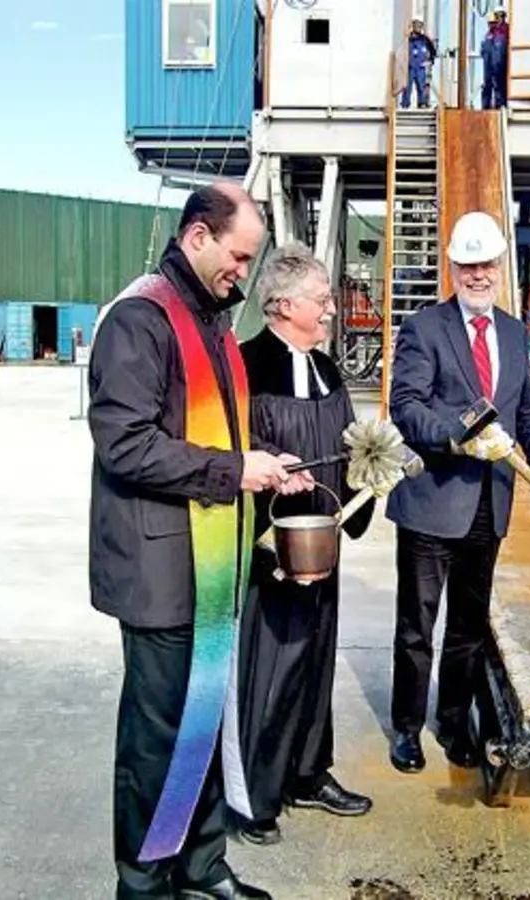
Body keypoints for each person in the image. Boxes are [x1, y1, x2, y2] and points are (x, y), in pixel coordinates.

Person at [88, 181, 313, 900]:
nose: (244, 273)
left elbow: (221, 435)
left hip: (211, 561)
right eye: (239, 257)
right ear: (197, 237)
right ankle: (143, 883)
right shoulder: (141, 319)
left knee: (205, 724)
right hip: (160, 571)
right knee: (157, 739)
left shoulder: (209, 320)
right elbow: (125, 444)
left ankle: (200, 865)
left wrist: (265, 467)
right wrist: (234, 470)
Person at [382, 211, 530, 774]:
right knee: (417, 626)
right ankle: (407, 728)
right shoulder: (424, 329)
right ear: (453, 269)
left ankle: (453, 720)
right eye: (468, 265)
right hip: (431, 501)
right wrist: (461, 439)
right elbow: (406, 407)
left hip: (490, 503)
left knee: (468, 623)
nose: (478, 275)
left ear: (500, 267)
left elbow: (526, 408)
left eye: (486, 264)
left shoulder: (512, 332)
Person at [225, 243, 398, 845]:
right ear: (282, 305)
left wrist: (373, 471)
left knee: (317, 658)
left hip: (323, 544)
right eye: (321, 300)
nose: (330, 310)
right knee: (271, 665)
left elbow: (346, 445)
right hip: (271, 549)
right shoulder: (245, 366)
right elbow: (230, 450)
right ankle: (256, 795)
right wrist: (269, 466)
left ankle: (306, 772)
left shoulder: (326, 370)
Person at [399, 17, 437, 109]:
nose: (418, 28)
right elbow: (401, 50)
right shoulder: (408, 39)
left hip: (421, 67)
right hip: (410, 66)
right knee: (407, 86)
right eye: (416, 26)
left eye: (419, 26)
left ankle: (422, 103)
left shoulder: (425, 39)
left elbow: (433, 51)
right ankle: (405, 103)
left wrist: (430, 61)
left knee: (421, 85)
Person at [480, 7, 509, 110]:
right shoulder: (490, 33)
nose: (499, 18)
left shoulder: (505, 31)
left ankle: (500, 104)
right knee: (487, 83)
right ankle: (486, 106)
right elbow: (484, 50)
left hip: (500, 63)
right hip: (489, 63)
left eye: (500, 15)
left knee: (499, 84)